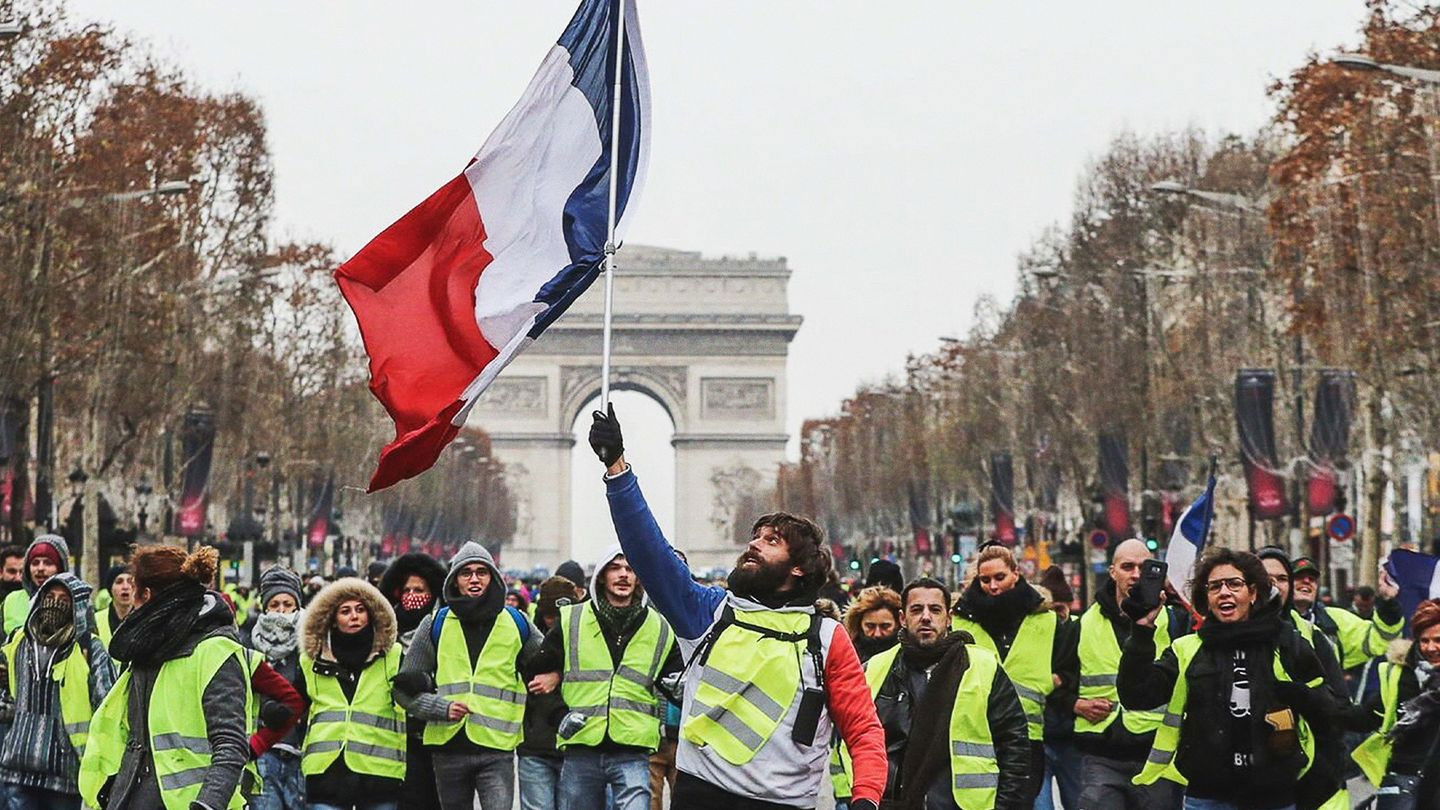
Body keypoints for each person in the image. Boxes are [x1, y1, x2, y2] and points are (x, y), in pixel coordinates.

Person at [587, 405, 888, 810]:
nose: (754, 543)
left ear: (799, 567)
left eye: (771, 540)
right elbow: (649, 553)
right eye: (756, 536)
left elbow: (863, 728)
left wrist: (866, 796)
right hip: (700, 794)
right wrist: (617, 469)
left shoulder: (827, 638)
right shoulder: (707, 613)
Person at [1119, 547, 1339, 810]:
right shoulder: (1188, 649)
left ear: (1253, 592)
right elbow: (1136, 695)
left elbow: (1328, 714)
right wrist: (1142, 631)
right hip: (1207, 796)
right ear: (1207, 597)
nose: (1224, 592)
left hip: (1274, 797)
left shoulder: (1288, 644)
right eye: (1215, 587)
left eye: (1234, 584)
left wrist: (1317, 783)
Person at [80, 545, 256, 810]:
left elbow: (231, 746)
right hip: (130, 798)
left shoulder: (215, 650)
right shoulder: (144, 652)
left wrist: (207, 805)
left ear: (146, 595)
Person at [852, 576, 1030, 808]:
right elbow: (853, 740)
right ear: (903, 619)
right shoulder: (876, 669)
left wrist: (1005, 806)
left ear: (949, 618)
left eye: (935, 609)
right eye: (917, 610)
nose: (926, 617)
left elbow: (1013, 743)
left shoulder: (983, 666)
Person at [526, 546, 681, 810]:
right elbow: (535, 674)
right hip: (581, 747)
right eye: (615, 568)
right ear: (600, 576)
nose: (624, 575)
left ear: (640, 577)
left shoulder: (660, 627)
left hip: (633, 749)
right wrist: (559, 715)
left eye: (630, 569)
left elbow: (676, 681)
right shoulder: (571, 620)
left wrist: (681, 688)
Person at [392, 541, 541, 810]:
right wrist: (438, 707)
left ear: (493, 578)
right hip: (448, 747)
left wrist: (550, 676)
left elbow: (549, 664)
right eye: (466, 573)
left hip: (497, 748)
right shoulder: (434, 624)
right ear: (455, 580)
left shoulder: (517, 623)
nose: (474, 579)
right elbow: (403, 688)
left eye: (481, 572)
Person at [1057, 537, 1182, 810]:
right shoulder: (1083, 625)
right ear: (1112, 571)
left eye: (1143, 567)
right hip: (1101, 756)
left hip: (1158, 755)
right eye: (1127, 567)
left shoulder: (1173, 620)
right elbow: (1052, 680)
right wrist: (1074, 704)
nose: (1136, 575)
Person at [951, 545, 1072, 804]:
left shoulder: (1045, 620)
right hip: (975, 736)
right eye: (985, 580)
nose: (993, 586)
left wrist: (1052, 683)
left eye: (1000, 577)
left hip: (1029, 737)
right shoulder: (960, 621)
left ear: (1016, 574)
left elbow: (1068, 667)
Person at [0, 572, 114, 808]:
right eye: (49, 596)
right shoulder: (18, 642)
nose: (55, 603)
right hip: (17, 768)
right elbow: (8, 698)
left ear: (77, 607)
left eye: (64, 599)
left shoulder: (90, 650)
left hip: (66, 774)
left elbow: (107, 709)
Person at [297, 576, 406, 810]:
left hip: (380, 776)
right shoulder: (309, 662)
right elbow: (292, 706)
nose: (354, 616)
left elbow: (411, 701)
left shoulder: (394, 656)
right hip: (326, 776)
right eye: (345, 611)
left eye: (360, 609)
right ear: (333, 620)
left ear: (372, 615)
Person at [1256, 547, 1351, 810]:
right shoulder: (1224, 633)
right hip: (1243, 780)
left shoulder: (1311, 636)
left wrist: (1301, 697)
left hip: (1308, 777)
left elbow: (1338, 705)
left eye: (1283, 578)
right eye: (1266, 577)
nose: (1274, 585)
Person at [1350, 598, 1440, 807]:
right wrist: (1318, 701)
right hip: (1403, 778)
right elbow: (1365, 717)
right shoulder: (1401, 675)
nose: (1431, 648)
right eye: (1424, 640)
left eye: (1438, 640)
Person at [379, 552, 446, 810]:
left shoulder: (443, 628)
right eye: (407, 589)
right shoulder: (384, 631)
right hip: (395, 735)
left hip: (434, 731)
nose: (412, 594)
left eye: (419, 589)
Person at [517, 576, 583, 810]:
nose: (558, 624)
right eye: (551, 617)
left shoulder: (590, 641)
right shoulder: (525, 642)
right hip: (536, 748)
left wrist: (558, 675)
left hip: (578, 747)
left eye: (564, 616)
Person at [250, 566, 308, 810]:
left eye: (287, 604)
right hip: (264, 750)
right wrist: (266, 708)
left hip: (302, 751)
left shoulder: (310, 643)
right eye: (275, 605)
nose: (282, 611)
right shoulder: (249, 642)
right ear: (265, 608)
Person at [1290, 555, 1402, 673]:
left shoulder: (1334, 619)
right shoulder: (1272, 618)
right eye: (1299, 577)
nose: (1307, 581)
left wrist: (1388, 603)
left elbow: (1378, 639)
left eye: (1312, 579)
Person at [1032, 567, 1082, 810]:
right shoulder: (1030, 634)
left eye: (1061, 609)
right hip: (1038, 737)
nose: (1057, 616)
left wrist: (1063, 680)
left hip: (1071, 736)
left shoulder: (1079, 632)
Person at [2, 534, 69, 635]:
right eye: (35, 563)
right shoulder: (12, 599)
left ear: (60, 568)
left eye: (48, 563)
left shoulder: (76, 601)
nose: (40, 568)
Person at [843, 586, 902, 663]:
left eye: (885, 626)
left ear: (898, 624)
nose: (877, 634)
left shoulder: (908, 655)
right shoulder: (846, 656)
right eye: (870, 626)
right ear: (859, 625)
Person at [95, 566, 136, 649]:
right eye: (119, 582)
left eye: (130, 581)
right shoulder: (95, 620)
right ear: (111, 588)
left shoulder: (145, 619)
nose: (125, 587)